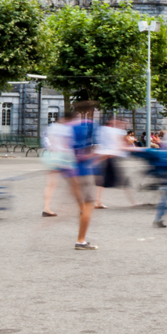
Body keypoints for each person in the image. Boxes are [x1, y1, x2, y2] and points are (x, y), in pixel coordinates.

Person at [68, 102, 100, 250]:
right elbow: (94, 148)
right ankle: (80, 240)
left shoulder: (70, 127)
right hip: (84, 170)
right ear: (90, 110)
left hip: (71, 171)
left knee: (81, 206)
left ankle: (81, 237)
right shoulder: (90, 125)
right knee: (88, 205)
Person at [94, 114, 135, 209]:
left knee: (103, 180)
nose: (125, 125)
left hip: (105, 156)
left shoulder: (102, 129)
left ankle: (97, 201)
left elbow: (101, 143)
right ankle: (133, 201)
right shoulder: (118, 131)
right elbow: (120, 145)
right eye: (124, 123)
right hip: (112, 157)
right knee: (123, 180)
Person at [41, 112, 74, 217]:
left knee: (51, 184)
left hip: (51, 156)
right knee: (74, 183)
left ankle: (46, 207)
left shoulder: (51, 127)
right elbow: (68, 145)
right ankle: (81, 206)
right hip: (63, 158)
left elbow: (46, 141)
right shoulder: (67, 129)